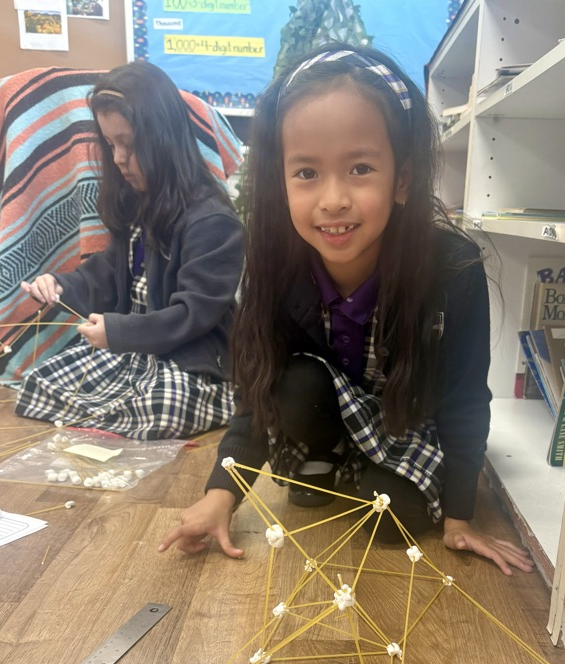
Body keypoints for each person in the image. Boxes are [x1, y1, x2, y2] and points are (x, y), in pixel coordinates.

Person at [159, 44, 533, 574]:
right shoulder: (274, 267)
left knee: (392, 520)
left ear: (402, 179)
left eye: (360, 168)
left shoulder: (452, 269)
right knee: (293, 383)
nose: (332, 199)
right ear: (280, 181)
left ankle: (362, 473)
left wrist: (459, 518)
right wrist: (222, 493)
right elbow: (256, 391)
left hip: (405, 422)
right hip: (320, 412)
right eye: (306, 173)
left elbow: (465, 398)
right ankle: (326, 457)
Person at [16, 62, 244, 439]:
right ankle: (118, 411)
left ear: (164, 139)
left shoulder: (213, 221)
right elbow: (106, 273)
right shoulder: (137, 204)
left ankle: (130, 410)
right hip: (136, 354)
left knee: (165, 406)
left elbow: (194, 314)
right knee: (38, 382)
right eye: (111, 144)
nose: (119, 157)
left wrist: (120, 331)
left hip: (191, 360)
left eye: (130, 144)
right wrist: (59, 286)